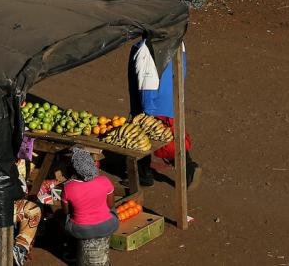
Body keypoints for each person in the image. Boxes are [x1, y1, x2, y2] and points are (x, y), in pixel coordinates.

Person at [128, 40, 196, 186]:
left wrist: (146, 113)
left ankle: (143, 175)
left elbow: (147, 81)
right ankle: (187, 167)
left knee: (141, 137)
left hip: (154, 105)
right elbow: (181, 70)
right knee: (172, 136)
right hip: (170, 100)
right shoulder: (178, 41)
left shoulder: (147, 48)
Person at [62, 148, 117, 265]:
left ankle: (72, 252)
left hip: (81, 230)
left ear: (74, 169)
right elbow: (111, 205)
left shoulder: (68, 187)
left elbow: (66, 211)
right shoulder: (105, 180)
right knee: (111, 210)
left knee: (64, 218)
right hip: (108, 226)